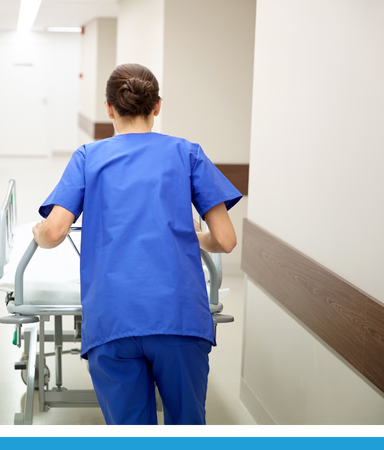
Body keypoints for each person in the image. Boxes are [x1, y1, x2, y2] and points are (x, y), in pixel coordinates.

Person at [32, 63, 242, 427]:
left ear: (109, 108)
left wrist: (38, 233)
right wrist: (198, 236)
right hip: (179, 318)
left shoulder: (88, 157)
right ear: (156, 106)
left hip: (114, 319)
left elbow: (53, 233)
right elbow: (225, 240)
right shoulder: (187, 153)